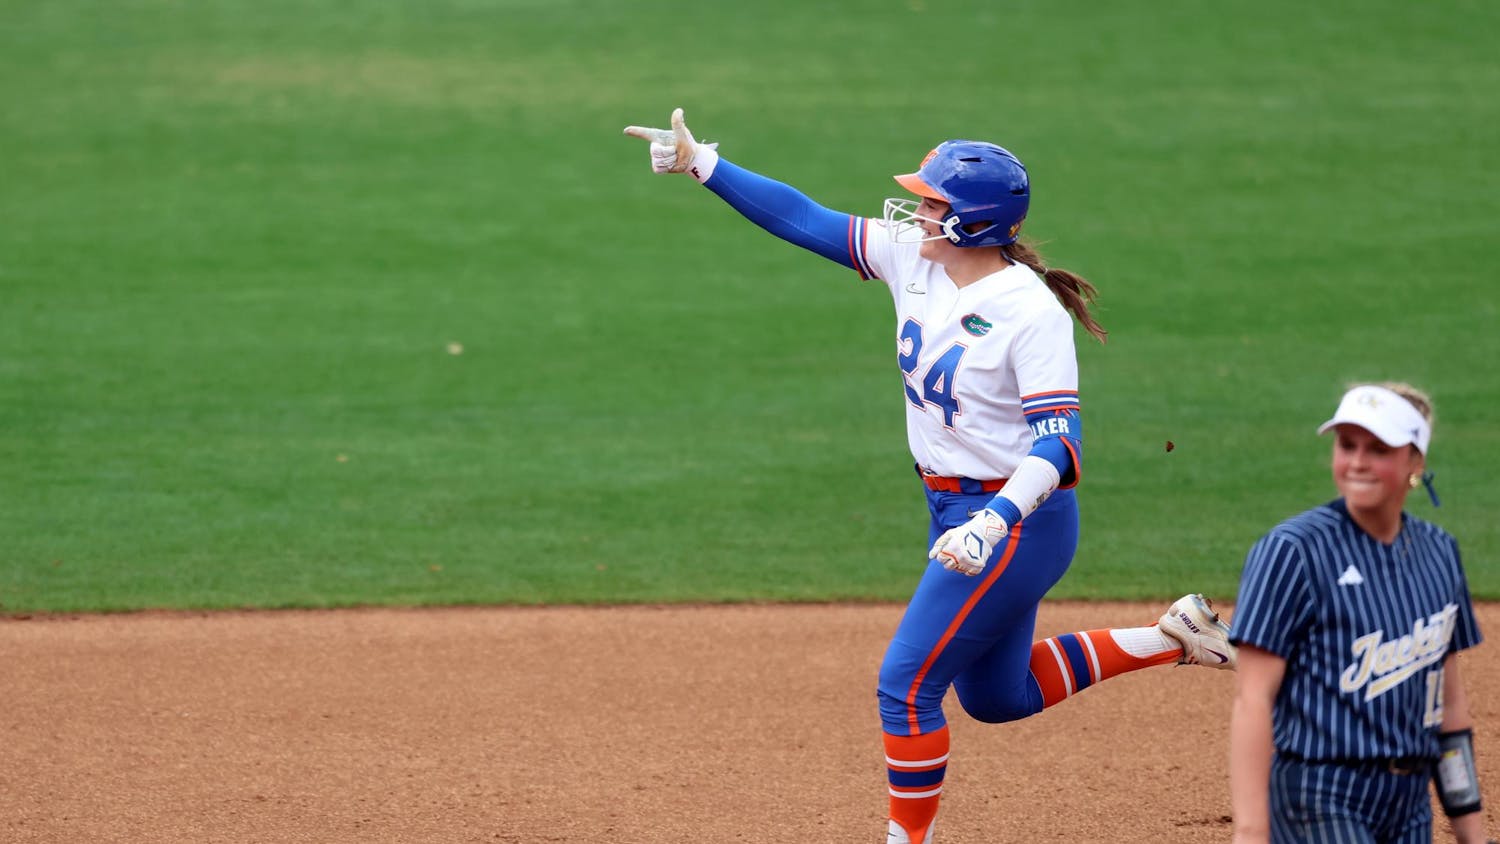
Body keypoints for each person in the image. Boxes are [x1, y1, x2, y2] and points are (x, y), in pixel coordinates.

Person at [624, 109, 1236, 844]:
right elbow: (803, 218)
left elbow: (1062, 446)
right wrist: (704, 164)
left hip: (1017, 523)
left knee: (905, 688)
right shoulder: (915, 260)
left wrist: (994, 522)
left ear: (975, 224)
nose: (915, 213)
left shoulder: (1029, 315)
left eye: (932, 203)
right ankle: (1174, 638)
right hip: (954, 515)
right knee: (999, 697)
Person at [1228, 383, 1492, 843]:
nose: (1358, 462)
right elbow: (1253, 700)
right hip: (1318, 794)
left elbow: (1448, 711)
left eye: (1379, 449)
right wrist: (1250, 832)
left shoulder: (1439, 553)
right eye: (1347, 445)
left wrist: (1473, 833)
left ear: (1416, 462)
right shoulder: (1292, 551)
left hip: (1409, 802)